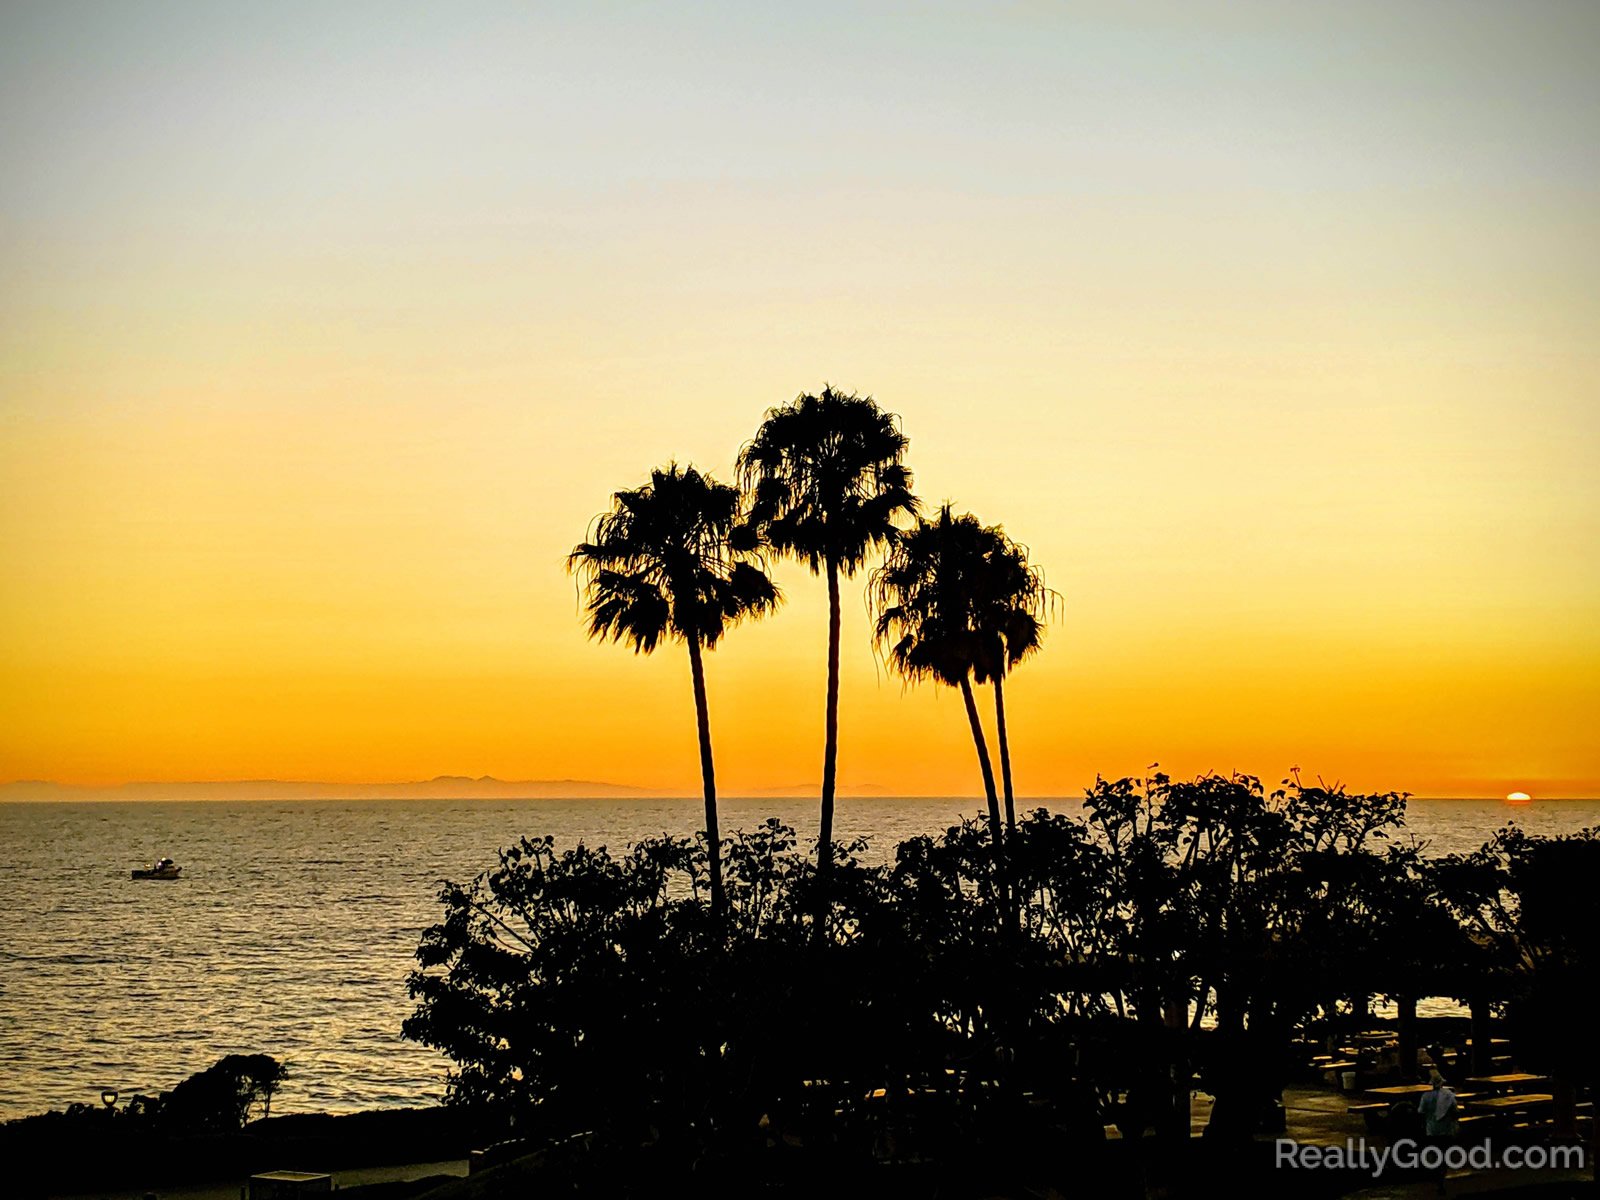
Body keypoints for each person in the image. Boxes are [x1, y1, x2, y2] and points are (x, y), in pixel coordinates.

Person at [1416, 1076, 1459, 1195]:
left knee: (1434, 1155)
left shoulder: (1426, 1096)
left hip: (1431, 1131)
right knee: (1444, 1156)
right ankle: (1441, 1180)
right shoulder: (1449, 1095)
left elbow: (1420, 1112)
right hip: (1445, 1131)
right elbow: (1455, 1112)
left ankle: (1437, 1178)